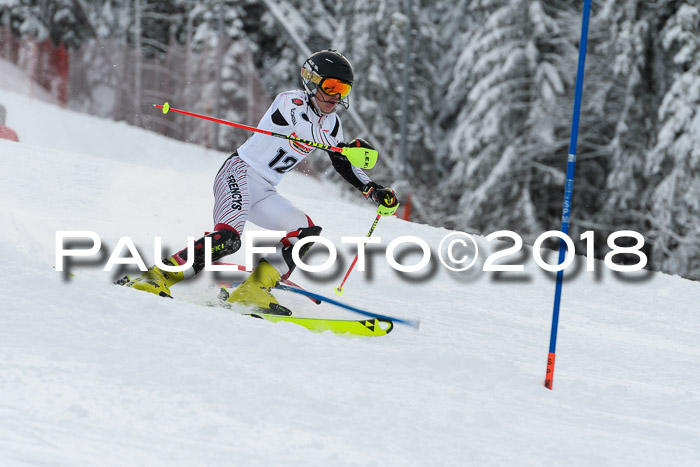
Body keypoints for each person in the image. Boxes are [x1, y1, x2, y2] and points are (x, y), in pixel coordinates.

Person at [119, 49, 398, 311]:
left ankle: (253, 289)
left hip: (265, 189)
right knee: (228, 239)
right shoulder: (290, 101)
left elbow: (341, 162)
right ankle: (156, 276)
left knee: (305, 231)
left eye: (343, 90)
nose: (336, 97)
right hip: (238, 173)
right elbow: (309, 131)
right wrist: (345, 147)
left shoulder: (331, 123)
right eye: (331, 88)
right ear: (312, 82)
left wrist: (372, 189)